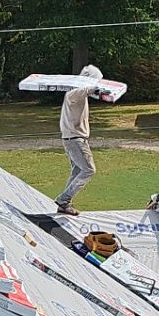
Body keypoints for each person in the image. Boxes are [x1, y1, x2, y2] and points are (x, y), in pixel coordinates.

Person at [55, 65, 101, 215]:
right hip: (75, 139)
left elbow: (89, 91)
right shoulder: (74, 93)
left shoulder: (77, 93)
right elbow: (87, 89)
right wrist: (97, 85)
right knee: (88, 170)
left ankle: (64, 205)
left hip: (73, 138)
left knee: (77, 171)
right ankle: (63, 200)